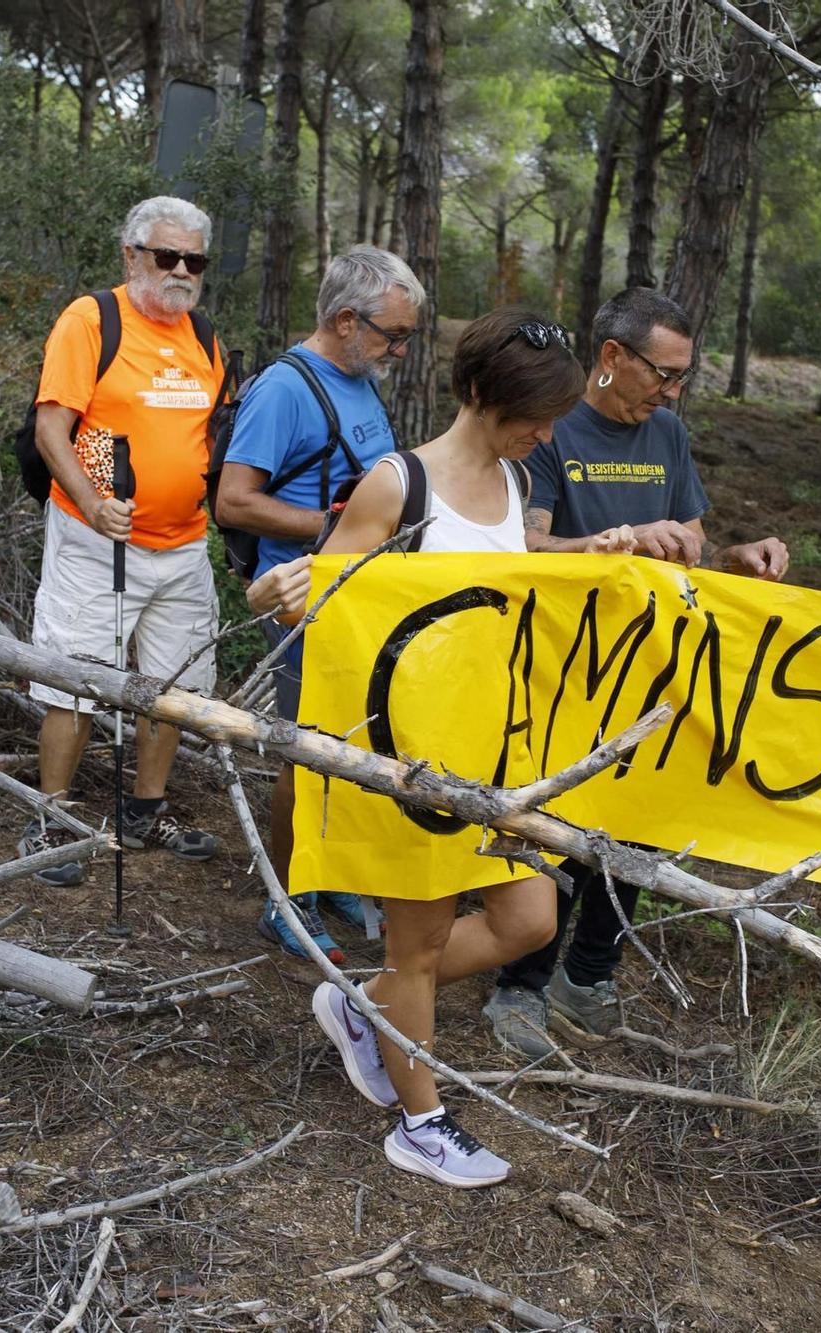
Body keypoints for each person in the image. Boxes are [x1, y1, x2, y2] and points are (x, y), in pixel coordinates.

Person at [251, 309, 631, 1187]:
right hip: (407, 759)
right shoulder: (398, 484)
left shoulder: (512, 478)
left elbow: (512, 579)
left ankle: (368, 1007)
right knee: (417, 947)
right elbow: (329, 600)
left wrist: (587, 555)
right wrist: (280, 592)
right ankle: (419, 1123)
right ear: (474, 396)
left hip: (492, 754)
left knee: (529, 917)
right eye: (529, 416)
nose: (545, 433)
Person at [482, 287, 790, 1056]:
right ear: (612, 358)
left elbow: (690, 548)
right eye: (663, 371)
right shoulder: (549, 431)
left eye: (683, 376)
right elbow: (523, 548)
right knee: (557, 826)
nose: (672, 389)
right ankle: (520, 986)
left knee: (642, 828)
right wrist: (618, 537)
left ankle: (587, 976)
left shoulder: (667, 436)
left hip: (655, 674)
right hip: (561, 672)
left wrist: (735, 560)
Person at [216, 244, 424, 962]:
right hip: (304, 602)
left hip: (366, 602)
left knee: (352, 744)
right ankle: (287, 898)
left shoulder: (360, 376)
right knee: (303, 752)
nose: (399, 350)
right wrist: (335, 528)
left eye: (406, 336)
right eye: (392, 335)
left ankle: (328, 872)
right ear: (344, 321)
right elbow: (233, 501)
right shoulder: (284, 389)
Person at [17, 195, 223, 880]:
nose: (182, 271)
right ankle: (56, 818)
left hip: (183, 545)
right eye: (168, 256)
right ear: (131, 255)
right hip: (95, 538)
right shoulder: (92, 320)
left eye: (195, 260)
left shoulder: (206, 338)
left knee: (176, 684)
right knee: (75, 676)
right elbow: (54, 427)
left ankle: (145, 810)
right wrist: (95, 501)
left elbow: (201, 437)